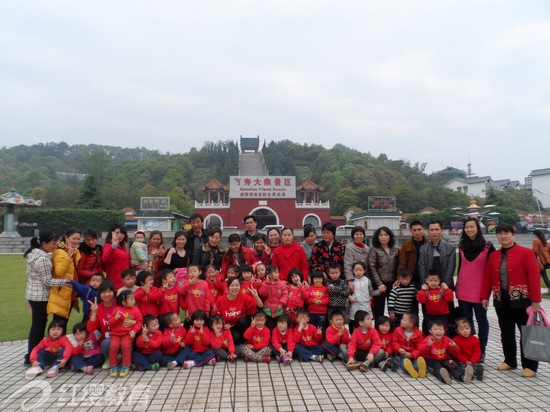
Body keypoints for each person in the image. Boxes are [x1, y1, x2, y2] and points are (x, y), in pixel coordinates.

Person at [481, 223, 542, 378]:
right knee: (506, 332)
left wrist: (536, 300)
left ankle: (529, 365)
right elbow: (488, 278)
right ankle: (509, 360)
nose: (503, 236)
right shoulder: (494, 256)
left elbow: (534, 278)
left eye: (506, 233)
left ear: (512, 235)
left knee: (526, 333)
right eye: (500, 233)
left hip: (523, 300)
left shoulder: (526, 253)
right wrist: (484, 296)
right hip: (501, 301)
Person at [24, 232, 68, 365]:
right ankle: (33, 356)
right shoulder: (42, 259)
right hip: (39, 296)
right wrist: (65, 282)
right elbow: (47, 281)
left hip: (33, 294)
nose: (55, 246)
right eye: (53, 243)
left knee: (37, 325)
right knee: (39, 326)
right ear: (44, 244)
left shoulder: (34, 254)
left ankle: (31, 354)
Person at [456, 217, 494, 361]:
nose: (469, 229)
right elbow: (461, 267)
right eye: (467, 227)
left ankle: (481, 350)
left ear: (477, 228)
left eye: (472, 226)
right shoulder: (462, 246)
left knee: (482, 320)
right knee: (466, 322)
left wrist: (488, 293)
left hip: (480, 292)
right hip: (463, 289)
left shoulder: (487, 246)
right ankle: (468, 350)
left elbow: (491, 271)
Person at [418, 221, 457, 330]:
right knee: (428, 316)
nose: (434, 232)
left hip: (444, 287)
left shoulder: (450, 248)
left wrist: (445, 285)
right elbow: (422, 267)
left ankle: (446, 340)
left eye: (437, 229)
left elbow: (451, 268)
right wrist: (425, 285)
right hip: (429, 287)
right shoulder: (424, 248)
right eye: (431, 230)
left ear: (441, 231)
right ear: (428, 231)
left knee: (447, 316)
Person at [418, 318, 472, 385]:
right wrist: (427, 346)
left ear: (444, 331)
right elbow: (420, 352)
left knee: (453, 365)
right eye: (435, 329)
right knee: (438, 369)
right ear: (430, 331)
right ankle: (445, 378)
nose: (438, 331)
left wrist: (454, 346)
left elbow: (457, 352)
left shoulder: (447, 340)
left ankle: (463, 376)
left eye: (440, 329)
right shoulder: (428, 340)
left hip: (445, 358)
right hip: (431, 360)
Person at [49, 228, 81, 332]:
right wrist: (68, 257)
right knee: (58, 323)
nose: (76, 241)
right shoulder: (60, 252)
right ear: (66, 238)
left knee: (64, 321)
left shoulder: (75, 251)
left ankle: (61, 346)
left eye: (78, 239)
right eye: (73, 238)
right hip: (61, 292)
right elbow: (58, 272)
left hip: (70, 292)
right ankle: (55, 346)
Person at [214, 277, 263, 344]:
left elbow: (260, 307)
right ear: (228, 287)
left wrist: (256, 296)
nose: (234, 287)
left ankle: (245, 342)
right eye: (232, 285)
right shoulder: (221, 300)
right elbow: (215, 316)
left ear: (240, 287)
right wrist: (222, 325)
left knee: (243, 321)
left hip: (240, 324)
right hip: (228, 326)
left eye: (237, 285)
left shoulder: (243, 297)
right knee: (236, 337)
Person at [368, 226, 399, 323]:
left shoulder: (395, 250)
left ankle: (393, 333)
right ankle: (378, 334)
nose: (383, 237)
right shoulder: (374, 250)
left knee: (394, 311)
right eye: (381, 235)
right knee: (379, 311)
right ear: (377, 237)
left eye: (386, 235)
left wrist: (398, 279)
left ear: (390, 236)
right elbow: (371, 267)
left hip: (393, 284)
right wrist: (379, 284)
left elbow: (399, 265)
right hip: (379, 285)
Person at [108, 290, 143, 377]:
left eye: (133, 299)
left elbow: (139, 322)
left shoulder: (136, 310)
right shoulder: (117, 310)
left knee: (125, 345)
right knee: (113, 346)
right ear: (123, 302)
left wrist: (134, 331)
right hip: (115, 333)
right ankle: (113, 366)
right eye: (131, 300)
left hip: (127, 334)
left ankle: (125, 365)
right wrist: (115, 318)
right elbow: (110, 323)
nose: (133, 301)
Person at [87, 280, 120, 370]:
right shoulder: (98, 308)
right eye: (104, 292)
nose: (107, 295)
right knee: (106, 343)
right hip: (108, 339)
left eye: (109, 291)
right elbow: (90, 330)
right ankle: (108, 358)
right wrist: (94, 313)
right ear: (99, 294)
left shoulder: (120, 304)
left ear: (114, 292)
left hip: (122, 336)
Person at [398, 221, 428, 313]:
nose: (417, 232)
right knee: (412, 311)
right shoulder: (406, 245)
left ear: (423, 230)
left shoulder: (428, 244)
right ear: (411, 231)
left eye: (419, 229)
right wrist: (401, 278)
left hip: (426, 281)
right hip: (411, 281)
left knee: (426, 309)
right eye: (414, 230)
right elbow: (402, 263)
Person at [416, 270, 454, 334]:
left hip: (442, 315)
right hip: (430, 316)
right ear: (426, 281)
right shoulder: (426, 291)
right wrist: (422, 290)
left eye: (436, 281)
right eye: (431, 281)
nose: (433, 283)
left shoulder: (442, 290)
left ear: (439, 281)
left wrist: (446, 289)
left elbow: (450, 299)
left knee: (444, 331)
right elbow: (421, 300)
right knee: (431, 331)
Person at [391, 312, 425, 378]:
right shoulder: (397, 330)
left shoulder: (419, 334)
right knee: (404, 363)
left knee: (417, 363)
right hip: (402, 353)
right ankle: (410, 371)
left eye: (403, 320)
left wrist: (412, 355)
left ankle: (421, 371)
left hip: (414, 353)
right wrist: (399, 349)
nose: (401, 320)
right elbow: (394, 342)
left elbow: (420, 348)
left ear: (410, 325)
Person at [348, 261, 379, 334]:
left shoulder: (368, 281)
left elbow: (371, 292)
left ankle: (367, 338)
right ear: (353, 271)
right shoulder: (351, 281)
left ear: (364, 271)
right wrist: (349, 297)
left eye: (360, 270)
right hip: (355, 305)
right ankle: (353, 338)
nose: (358, 272)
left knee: (366, 322)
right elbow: (347, 292)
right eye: (356, 270)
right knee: (354, 322)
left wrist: (379, 292)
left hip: (365, 305)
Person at [258, 265, 288, 330]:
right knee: (269, 325)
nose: (278, 274)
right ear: (270, 275)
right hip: (268, 308)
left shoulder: (281, 284)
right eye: (275, 272)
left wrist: (281, 303)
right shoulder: (265, 283)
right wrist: (266, 284)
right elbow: (262, 293)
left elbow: (285, 295)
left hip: (278, 308)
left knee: (279, 325)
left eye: (278, 272)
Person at [102, 223, 131, 291]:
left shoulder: (124, 247)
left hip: (126, 282)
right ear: (112, 233)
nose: (120, 235)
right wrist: (113, 246)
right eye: (117, 233)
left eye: (122, 233)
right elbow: (105, 259)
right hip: (115, 283)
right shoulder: (108, 246)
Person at [532, 229, 550, 294]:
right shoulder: (545, 241)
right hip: (546, 260)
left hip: (540, 261)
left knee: (538, 275)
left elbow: (535, 251)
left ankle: (536, 289)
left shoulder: (536, 241)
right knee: (543, 275)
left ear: (535, 234)